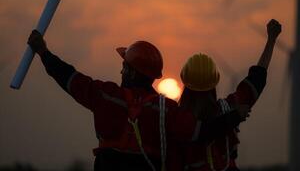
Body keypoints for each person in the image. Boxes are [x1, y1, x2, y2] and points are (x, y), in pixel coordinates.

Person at [27, 32, 250, 171]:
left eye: (125, 67)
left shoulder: (106, 96)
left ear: (133, 74)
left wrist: (43, 52)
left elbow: (70, 78)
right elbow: (201, 131)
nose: (121, 70)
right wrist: (234, 116)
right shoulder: (165, 110)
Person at [167, 19, 282, 171]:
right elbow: (257, 79)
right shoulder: (228, 109)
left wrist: (271, 40)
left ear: (186, 87)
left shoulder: (175, 119)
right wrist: (271, 40)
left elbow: (257, 78)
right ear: (214, 86)